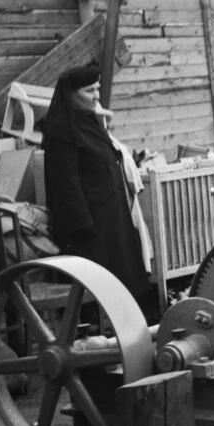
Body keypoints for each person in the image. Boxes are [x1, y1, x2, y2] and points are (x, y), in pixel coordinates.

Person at [42, 63, 151, 305]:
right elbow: (65, 183)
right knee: (101, 286)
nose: (96, 96)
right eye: (89, 91)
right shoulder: (61, 132)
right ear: (70, 95)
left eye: (98, 89)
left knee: (124, 282)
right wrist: (84, 227)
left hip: (111, 216)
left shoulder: (90, 122)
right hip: (90, 225)